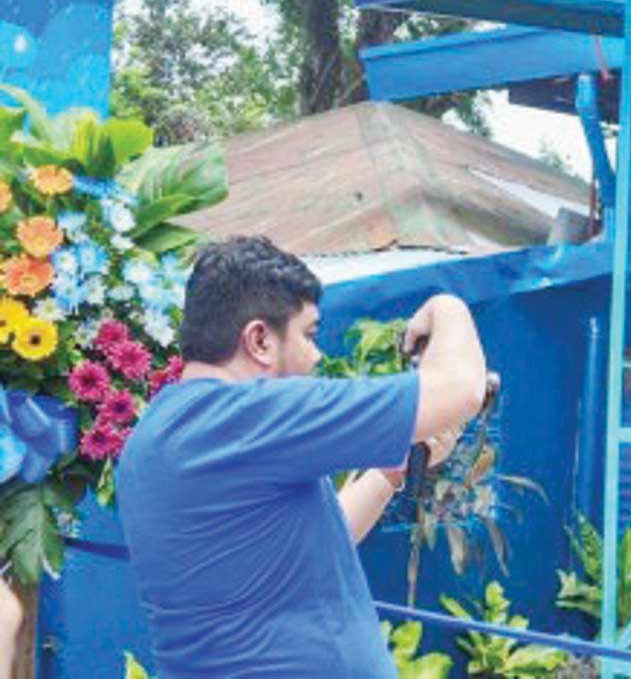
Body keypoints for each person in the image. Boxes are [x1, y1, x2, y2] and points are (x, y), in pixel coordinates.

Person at [117, 236, 487, 678]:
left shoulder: (162, 430)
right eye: (309, 335)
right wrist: (448, 305)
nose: (317, 356)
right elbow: (461, 388)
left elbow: (314, 543)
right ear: (259, 340)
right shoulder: (245, 416)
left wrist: (391, 473)